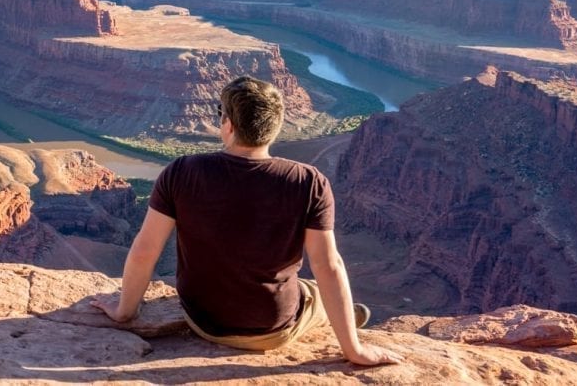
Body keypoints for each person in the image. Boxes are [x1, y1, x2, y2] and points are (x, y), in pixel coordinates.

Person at [92, 75, 402, 366]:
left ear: (227, 124)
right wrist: (354, 350)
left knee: (307, 288)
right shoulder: (308, 182)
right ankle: (343, 318)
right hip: (272, 330)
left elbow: (146, 251)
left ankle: (330, 312)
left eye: (220, 114)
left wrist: (124, 312)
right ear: (277, 127)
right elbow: (328, 265)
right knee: (312, 291)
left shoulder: (180, 172)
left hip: (202, 322)